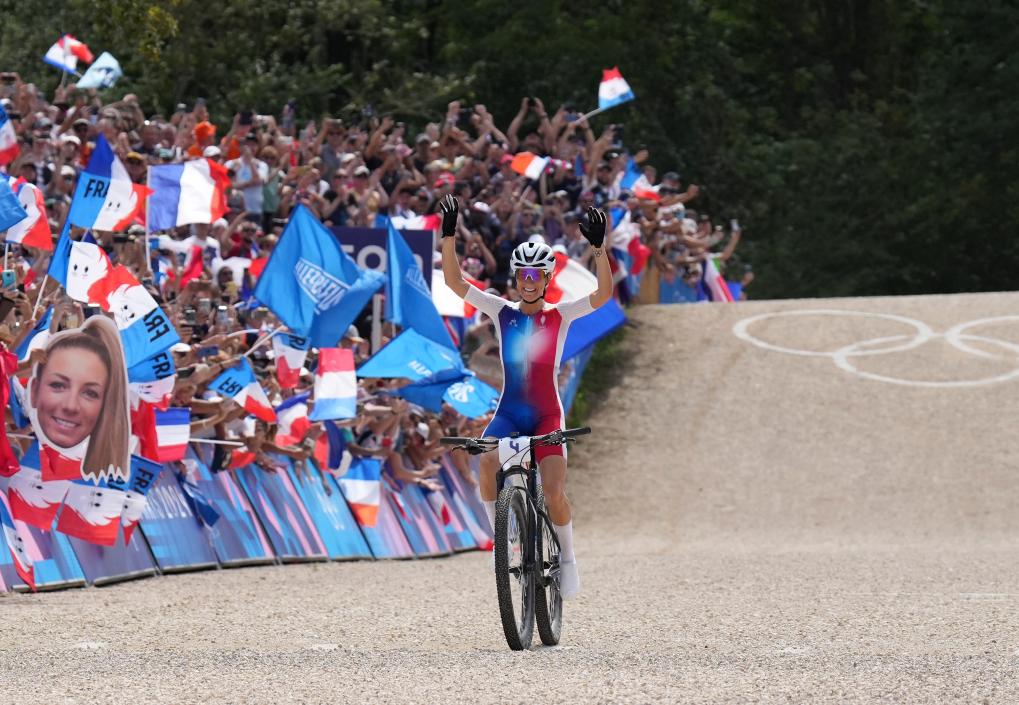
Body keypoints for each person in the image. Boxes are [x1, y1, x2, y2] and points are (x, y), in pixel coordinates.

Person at [438, 193, 613, 599]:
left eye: (536, 275)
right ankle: (501, 542)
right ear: (516, 278)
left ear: (547, 279)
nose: (529, 281)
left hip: (547, 414)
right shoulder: (501, 311)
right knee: (485, 461)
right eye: (523, 275)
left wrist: (598, 249)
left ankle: (568, 558)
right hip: (511, 412)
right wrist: (448, 237)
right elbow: (454, 283)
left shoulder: (560, 315)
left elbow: (603, 295)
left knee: (553, 492)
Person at [27, 315, 130, 482]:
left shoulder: (103, 488)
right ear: (34, 390)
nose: (71, 406)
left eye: (90, 393)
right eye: (58, 385)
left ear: (106, 405)